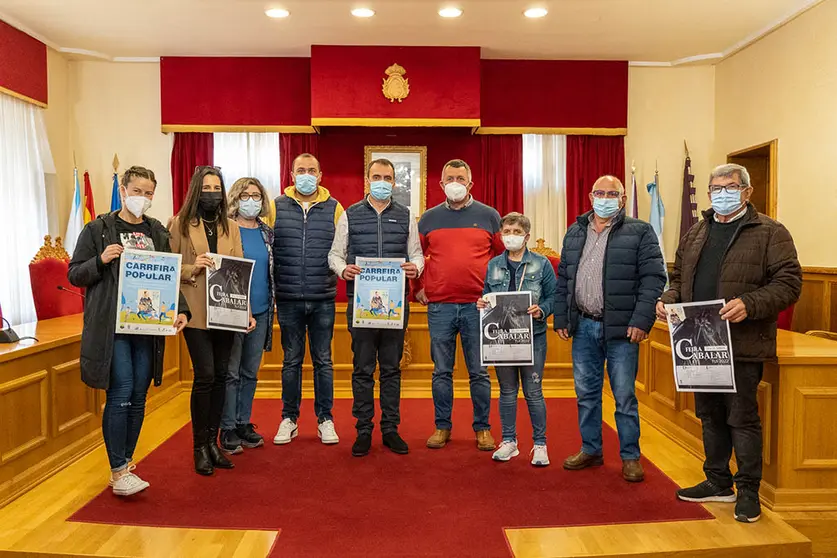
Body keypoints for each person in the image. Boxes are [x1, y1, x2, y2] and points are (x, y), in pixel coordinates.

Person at [658, 163, 802, 523]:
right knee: (709, 415)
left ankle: (748, 490)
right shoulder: (696, 232)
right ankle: (718, 481)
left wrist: (749, 304)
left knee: (741, 417)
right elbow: (678, 277)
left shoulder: (770, 231)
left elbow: (789, 283)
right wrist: (669, 298)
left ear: (747, 191)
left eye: (730, 186)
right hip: (697, 341)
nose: (722, 193)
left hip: (742, 342)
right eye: (716, 188)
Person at [68, 165, 190, 496]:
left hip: (148, 327)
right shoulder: (98, 229)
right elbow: (74, 274)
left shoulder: (156, 231)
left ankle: (126, 463)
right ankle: (118, 470)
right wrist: (101, 260)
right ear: (123, 191)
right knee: (120, 391)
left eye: (149, 193)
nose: (143, 198)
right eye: (137, 191)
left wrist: (181, 309)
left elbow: (168, 273)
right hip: (113, 327)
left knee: (138, 395)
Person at [555, 175, 666, 483]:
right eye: (600, 192)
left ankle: (630, 456)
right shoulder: (575, 232)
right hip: (584, 326)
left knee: (624, 396)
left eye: (612, 193)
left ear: (622, 199)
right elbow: (564, 278)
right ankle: (591, 449)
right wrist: (562, 318)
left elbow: (654, 279)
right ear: (591, 195)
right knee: (586, 394)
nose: (605, 197)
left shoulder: (640, 231)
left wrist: (642, 321)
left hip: (622, 331)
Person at [328, 158, 424, 457]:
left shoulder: (406, 215)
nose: (382, 181)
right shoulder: (350, 215)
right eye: (376, 176)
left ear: (394, 182)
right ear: (367, 180)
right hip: (361, 306)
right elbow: (335, 254)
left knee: (392, 369)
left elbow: (417, 254)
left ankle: (391, 429)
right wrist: (343, 270)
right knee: (362, 369)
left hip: (395, 307)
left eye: (387, 177)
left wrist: (415, 269)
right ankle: (364, 429)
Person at [169, 166, 254, 476]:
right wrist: (194, 266)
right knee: (204, 375)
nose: (211, 193)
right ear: (196, 190)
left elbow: (239, 272)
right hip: (195, 312)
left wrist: (245, 313)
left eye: (216, 188)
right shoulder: (179, 224)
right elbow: (169, 268)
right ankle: (198, 447)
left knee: (221, 375)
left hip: (227, 311)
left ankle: (214, 443)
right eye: (206, 188)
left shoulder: (231, 227)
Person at [416, 159, 504, 452]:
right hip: (440, 307)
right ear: (441, 185)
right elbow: (415, 257)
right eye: (450, 177)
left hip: (478, 307)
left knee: (479, 372)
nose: (455, 182)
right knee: (441, 371)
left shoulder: (490, 216)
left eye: (460, 178)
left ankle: (482, 428)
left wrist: (498, 293)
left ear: (470, 184)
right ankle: (442, 426)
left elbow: (504, 258)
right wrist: (418, 288)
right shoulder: (428, 219)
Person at [272, 153, 344, 446]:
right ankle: (289, 418)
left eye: (311, 170)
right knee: (290, 361)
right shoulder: (275, 207)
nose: (306, 175)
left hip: (322, 297)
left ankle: (325, 419)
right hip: (287, 297)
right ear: (291, 175)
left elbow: (342, 249)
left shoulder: (335, 208)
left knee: (323, 361)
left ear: (320, 174)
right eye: (300, 170)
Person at [477, 213, 556, 466]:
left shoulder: (542, 264)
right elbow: (487, 295)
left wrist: (541, 309)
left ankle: (540, 444)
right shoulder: (493, 265)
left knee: (533, 392)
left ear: (527, 236)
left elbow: (554, 298)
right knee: (507, 391)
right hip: (501, 339)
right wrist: (482, 304)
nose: (511, 236)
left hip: (532, 337)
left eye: (516, 231)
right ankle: (509, 441)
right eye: (507, 231)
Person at [219, 177, 275, 454]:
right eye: (245, 195)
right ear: (235, 199)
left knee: (250, 372)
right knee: (231, 373)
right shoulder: (225, 230)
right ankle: (227, 426)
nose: (251, 200)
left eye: (256, 195)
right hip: (232, 310)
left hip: (263, 310)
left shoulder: (267, 232)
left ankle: (243, 422)